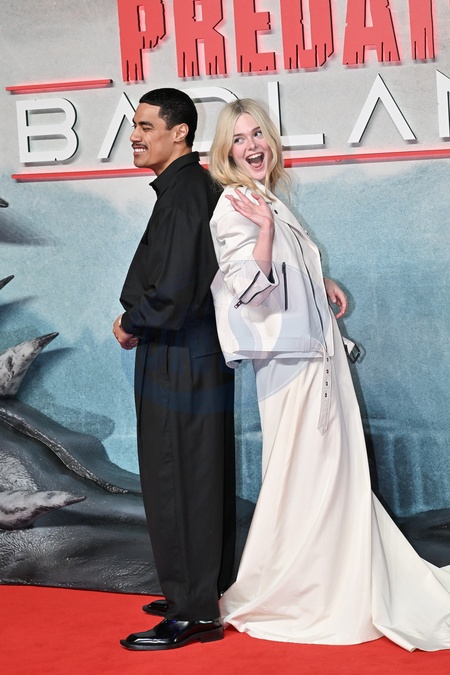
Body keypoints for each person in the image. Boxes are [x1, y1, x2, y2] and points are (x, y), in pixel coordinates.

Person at [207, 98, 450, 651]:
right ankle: (303, 589)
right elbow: (249, 290)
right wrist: (264, 231)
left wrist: (320, 281)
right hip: (291, 365)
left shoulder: (266, 197)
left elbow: (288, 269)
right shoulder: (236, 205)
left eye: (258, 134)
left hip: (314, 356)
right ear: (226, 151)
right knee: (303, 472)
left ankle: (337, 576)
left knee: (329, 472)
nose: (252, 145)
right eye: (239, 138)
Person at [113, 88, 236, 651]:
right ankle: (200, 590)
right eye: (134, 126)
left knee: (177, 475)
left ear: (179, 132)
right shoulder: (185, 189)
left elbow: (177, 290)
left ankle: (194, 612)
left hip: (179, 354)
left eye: (145, 126)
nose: (135, 136)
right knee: (195, 473)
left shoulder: (186, 194)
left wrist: (132, 321)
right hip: (189, 353)